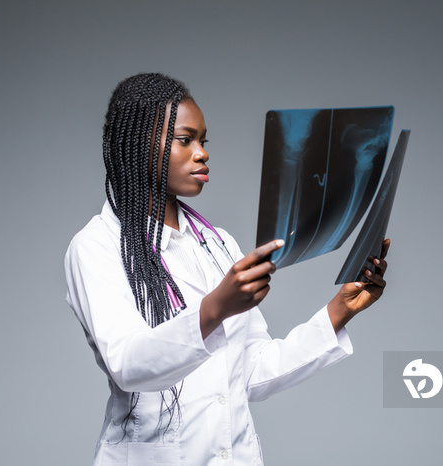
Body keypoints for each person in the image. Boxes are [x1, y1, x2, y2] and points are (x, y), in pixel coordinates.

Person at [64, 73, 390, 466]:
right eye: (185, 140)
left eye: (203, 141)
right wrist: (214, 308)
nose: (202, 153)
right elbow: (128, 365)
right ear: (138, 145)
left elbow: (250, 371)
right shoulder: (96, 246)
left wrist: (340, 311)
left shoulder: (219, 245)